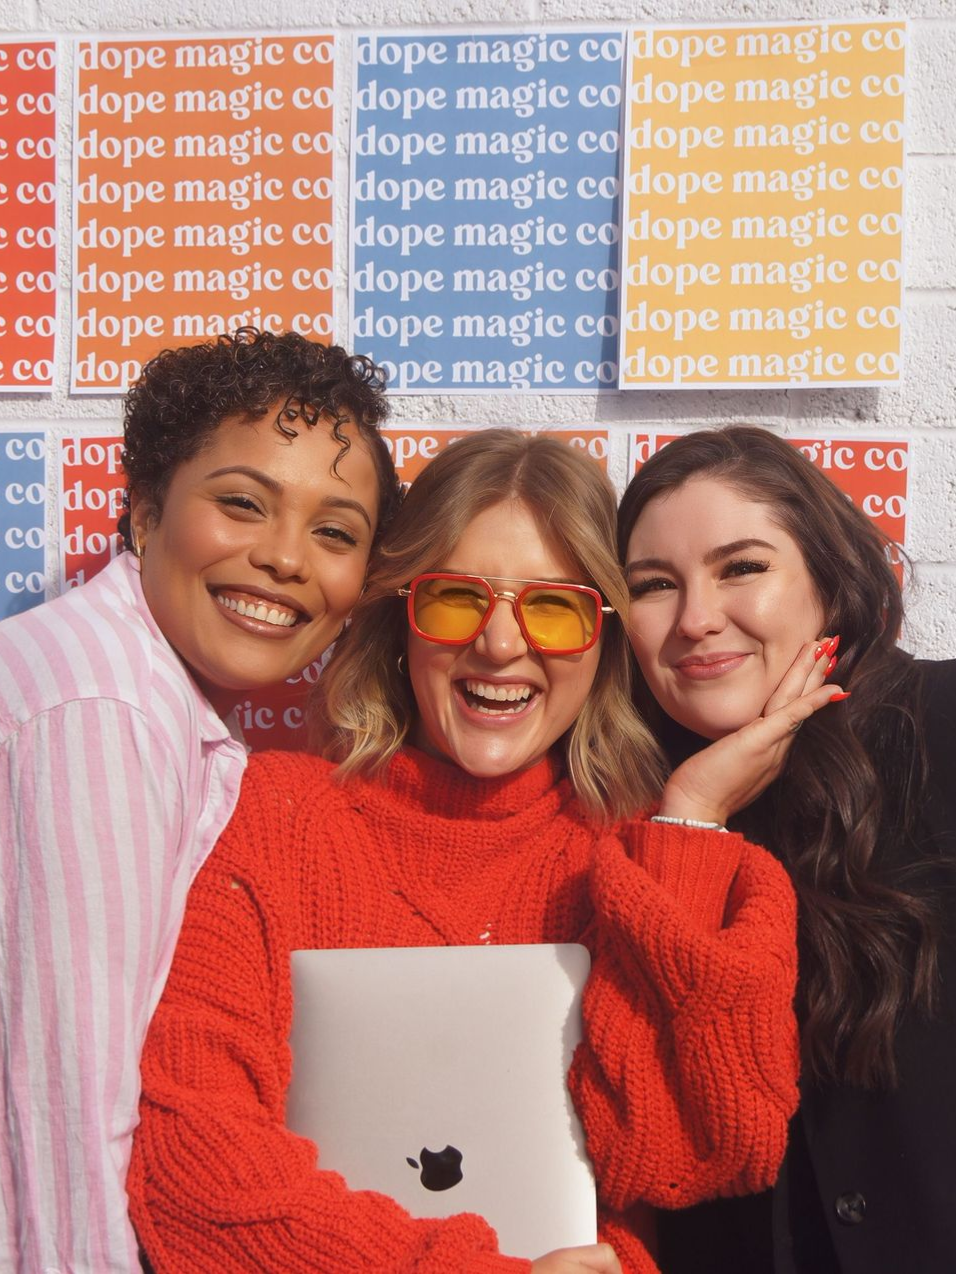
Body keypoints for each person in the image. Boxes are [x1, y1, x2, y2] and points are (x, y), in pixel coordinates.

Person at [128, 428, 837, 1274]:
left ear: (602, 640)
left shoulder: (644, 849)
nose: (501, 645)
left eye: (553, 608)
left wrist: (688, 822)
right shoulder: (269, 819)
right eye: (458, 599)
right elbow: (192, 1173)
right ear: (401, 618)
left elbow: (705, 1154)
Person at [0, 328, 401, 1274]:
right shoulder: (102, 706)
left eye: (334, 531)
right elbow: (65, 1112)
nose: (285, 559)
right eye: (241, 505)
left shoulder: (144, 695)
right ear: (142, 512)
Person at [618, 424, 956, 1274]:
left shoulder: (942, 727)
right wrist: (692, 817)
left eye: (742, 567)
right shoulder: (625, 817)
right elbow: (665, 1129)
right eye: (654, 585)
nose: (696, 619)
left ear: (830, 582)